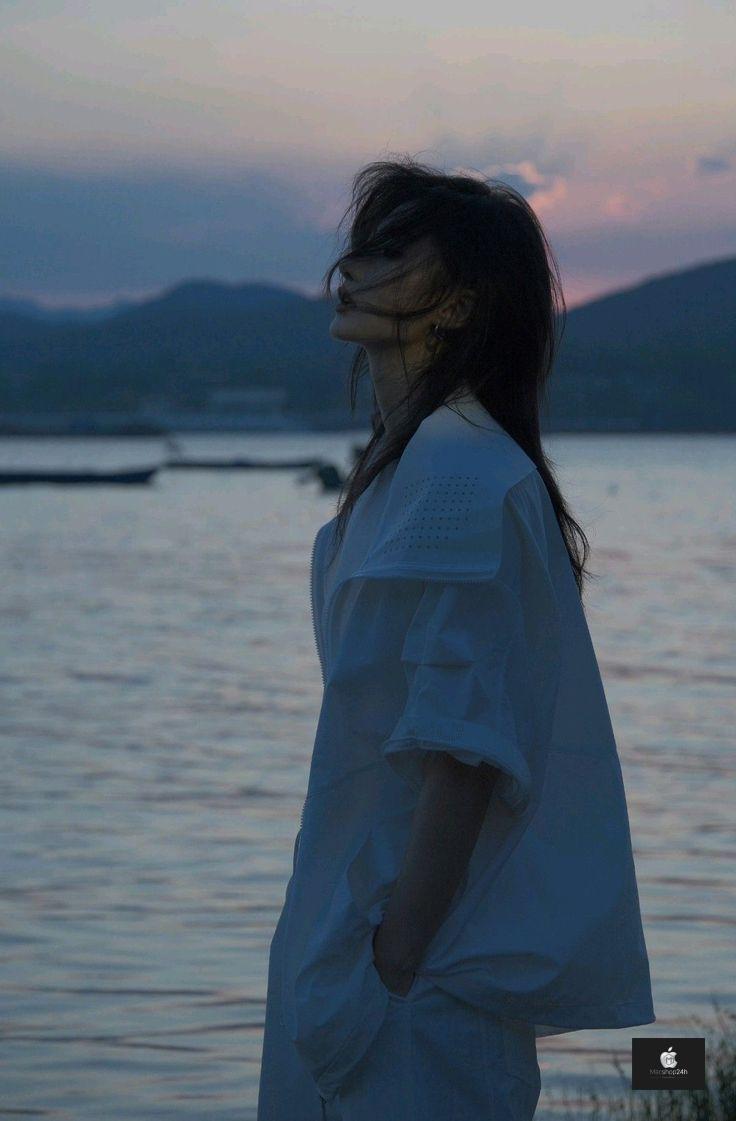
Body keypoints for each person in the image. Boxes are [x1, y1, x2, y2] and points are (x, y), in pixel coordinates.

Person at [257, 157, 656, 1121]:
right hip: (355, 960)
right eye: (365, 241)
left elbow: (464, 751)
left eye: (396, 249)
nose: (355, 265)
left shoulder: (460, 477)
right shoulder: (416, 469)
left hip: (404, 992)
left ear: (461, 302)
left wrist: (390, 967)